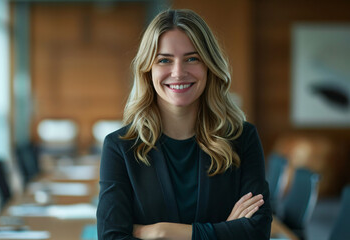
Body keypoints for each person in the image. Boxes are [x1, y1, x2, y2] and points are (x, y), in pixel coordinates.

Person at [96, 9, 272, 240]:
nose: (178, 72)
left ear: (209, 66)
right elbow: (112, 237)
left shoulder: (242, 138)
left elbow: (257, 233)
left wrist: (161, 231)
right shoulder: (120, 147)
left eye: (192, 58)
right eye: (164, 60)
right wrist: (226, 231)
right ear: (148, 70)